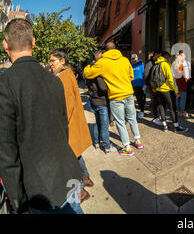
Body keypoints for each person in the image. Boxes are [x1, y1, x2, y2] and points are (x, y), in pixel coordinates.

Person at [0, 19, 84, 214]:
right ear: (34, 42)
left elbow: (6, 150)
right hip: (67, 173)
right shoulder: (55, 80)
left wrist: (18, 202)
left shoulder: (5, 83)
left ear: (5, 45)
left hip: (37, 188)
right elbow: (63, 128)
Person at [49, 48, 94, 203]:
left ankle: (80, 191)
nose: (50, 64)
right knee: (75, 153)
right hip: (72, 124)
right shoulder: (66, 74)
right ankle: (86, 178)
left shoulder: (63, 77)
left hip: (68, 126)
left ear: (62, 61)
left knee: (69, 159)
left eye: (53, 61)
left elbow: (67, 106)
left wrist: (58, 127)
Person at [84, 42, 143, 156]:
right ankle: (138, 141)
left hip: (116, 96)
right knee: (132, 118)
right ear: (115, 49)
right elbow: (131, 75)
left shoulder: (102, 62)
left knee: (120, 122)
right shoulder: (125, 60)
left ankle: (127, 148)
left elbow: (88, 74)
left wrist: (90, 65)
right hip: (128, 93)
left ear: (105, 51)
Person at [152, 51, 188, 133]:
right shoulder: (166, 64)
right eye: (168, 57)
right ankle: (176, 126)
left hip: (158, 90)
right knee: (172, 108)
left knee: (161, 106)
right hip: (167, 90)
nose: (169, 58)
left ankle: (165, 126)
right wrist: (176, 90)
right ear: (166, 57)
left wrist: (154, 88)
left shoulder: (156, 64)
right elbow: (171, 80)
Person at [86, 50, 114, 154]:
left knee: (97, 123)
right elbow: (103, 87)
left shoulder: (88, 71)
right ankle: (107, 147)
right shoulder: (98, 72)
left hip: (93, 101)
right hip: (102, 101)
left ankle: (97, 143)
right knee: (104, 125)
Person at [173, 51, 190, 118]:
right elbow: (182, 77)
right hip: (182, 85)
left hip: (176, 85)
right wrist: (186, 80)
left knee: (177, 98)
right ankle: (181, 112)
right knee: (182, 99)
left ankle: (178, 111)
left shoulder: (174, 66)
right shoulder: (180, 66)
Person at [145, 51, 161, 120]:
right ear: (156, 55)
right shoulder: (149, 63)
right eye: (159, 55)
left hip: (158, 86)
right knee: (154, 102)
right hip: (152, 87)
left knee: (159, 101)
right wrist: (151, 87)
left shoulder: (158, 62)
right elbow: (146, 76)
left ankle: (160, 115)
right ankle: (155, 116)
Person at [131, 54, 146, 119]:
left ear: (137, 58)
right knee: (138, 98)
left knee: (142, 98)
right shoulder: (131, 66)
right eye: (133, 58)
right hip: (134, 85)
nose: (134, 59)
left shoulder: (142, 66)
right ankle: (141, 110)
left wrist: (145, 84)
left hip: (141, 85)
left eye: (135, 58)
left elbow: (144, 75)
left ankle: (142, 110)